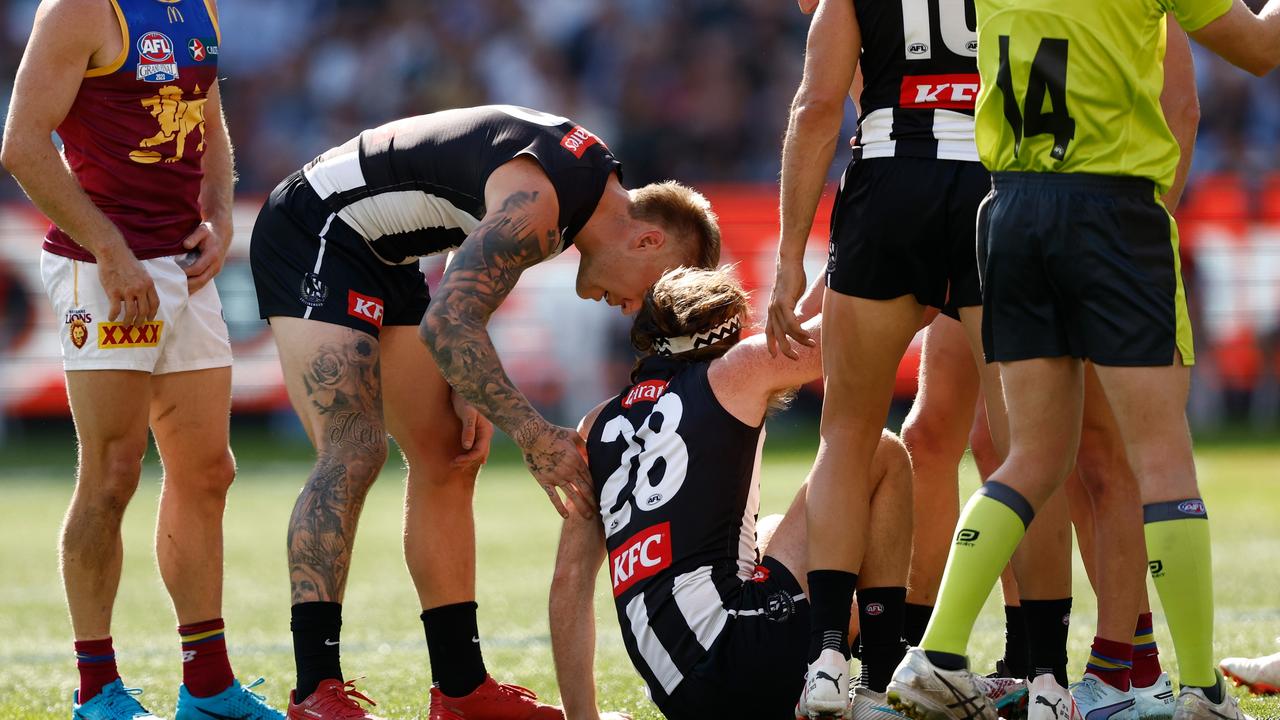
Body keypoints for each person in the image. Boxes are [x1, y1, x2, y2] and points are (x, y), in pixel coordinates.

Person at [248, 104, 721, 720]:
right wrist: (533, 432)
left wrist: (467, 368)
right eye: (655, 291)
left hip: (391, 249)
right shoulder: (550, 206)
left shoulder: (581, 191)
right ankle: (315, 691)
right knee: (355, 448)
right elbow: (450, 317)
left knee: (449, 455)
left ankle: (461, 689)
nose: (638, 311)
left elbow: (468, 240)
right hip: (317, 226)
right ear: (648, 238)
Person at [886, 2, 1280, 720]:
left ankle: (933, 657)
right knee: (1160, 458)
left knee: (1029, 458)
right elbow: (1258, 49)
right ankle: (1197, 690)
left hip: (1009, 209)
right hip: (1111, 209)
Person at [1, 1, 282, 718]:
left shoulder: (199, 5)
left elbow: (208, 124)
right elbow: (23, 145)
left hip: (183, 268)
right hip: (105, 273)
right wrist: (109, 251)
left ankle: (208, 685)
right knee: (112, 473)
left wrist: (219, 216)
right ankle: (97, 691)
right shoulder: (79, 9)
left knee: (208, 471)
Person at [765, 1, 1038, 716]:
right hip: (994, 182)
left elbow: (817, 103)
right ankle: (1043, 670)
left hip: (889, 176)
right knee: (1027, 445)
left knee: (846, 434)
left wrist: (790, 258)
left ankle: (829, 657)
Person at [548, 266, 916, 720]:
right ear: (728, 332)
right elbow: (855, 330)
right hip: (745, 648)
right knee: (879, 449)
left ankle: (822, 682)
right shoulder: (735, 370)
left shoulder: (596, 423)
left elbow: (568, 582)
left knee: (772, 532)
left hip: (682, 697)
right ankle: (881, 685)